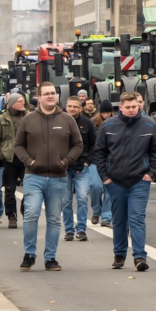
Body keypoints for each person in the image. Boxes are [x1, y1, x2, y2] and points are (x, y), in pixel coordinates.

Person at [14, 81, 82, 271]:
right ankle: (29, 254)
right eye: (46, 94)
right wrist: (29, 161)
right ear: (39, 97)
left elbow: (78, 145)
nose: (51, 96)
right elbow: (18, 145)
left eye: (53, 93)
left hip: (58, 177)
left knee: (54, 218)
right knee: (31, 214)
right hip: (33, 176)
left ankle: (50, 258)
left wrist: (65, 161)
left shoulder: (67, 119)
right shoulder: (28, 119)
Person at [95, 91, 156, 270]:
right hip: (115, 181)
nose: (132, 110)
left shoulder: (149, 124)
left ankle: (140, 256)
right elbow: (100, 152)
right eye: (128, 107)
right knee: (119, 220)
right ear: (121, 107)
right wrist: (105, 177)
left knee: (137, 218)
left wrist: (151, 173)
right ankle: (119, 254)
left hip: (139, 180)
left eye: (134, 106)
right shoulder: (108, 125)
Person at [63, 96, 96, 242]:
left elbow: (94, 144)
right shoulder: (60, 122)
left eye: (75, 106)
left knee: (82, 198)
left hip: (82, 168)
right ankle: (69, 230)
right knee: (66, 201)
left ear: (81, 108)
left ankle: (81, 229)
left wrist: (88, 161)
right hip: (63, 168)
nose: (72, 109)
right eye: (69, 106)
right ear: (66, 107)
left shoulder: (87, 123)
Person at [0, 93, 26, 228]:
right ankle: (11, 216)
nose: (23, 103)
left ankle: (25, 208)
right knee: (9, 190)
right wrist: (1, 155)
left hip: (26, 159)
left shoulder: (29, 117)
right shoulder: (1, 120)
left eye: (23, 101)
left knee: (30, 188)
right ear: (11, 104)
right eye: (19, 101)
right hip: (10, 159)